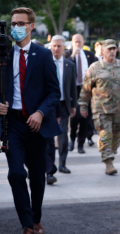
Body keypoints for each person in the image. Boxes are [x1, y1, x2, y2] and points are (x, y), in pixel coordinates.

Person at [0, 7, 61, 234]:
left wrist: (40, 112)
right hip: (12, 124)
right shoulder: (3, 54)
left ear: (31, 26)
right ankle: (27, 227)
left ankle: (36, 219)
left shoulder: (43, 55)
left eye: (21, 23)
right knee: (16, 174)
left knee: (37, 176)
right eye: (13, 22)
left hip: (36, 125)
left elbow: (54, 92)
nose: (16, 26)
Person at [78, 39, 120, 175]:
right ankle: (108, 162)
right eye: (109, 49)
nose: (112, 52)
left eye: (114, 49)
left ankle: (110, 152)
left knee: (116, 136)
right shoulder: (95, 68)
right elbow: (86, 89)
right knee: (106, 134)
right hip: (101, 109)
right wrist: (83, 105)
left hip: (119, 108)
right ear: (103, 51)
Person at [45, 35, 77, 184]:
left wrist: (74, 105)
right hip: (48, 106)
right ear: (50, 47)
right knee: (49, 139)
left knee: (63, 136)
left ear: (64, 48)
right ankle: (49, 170)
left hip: (64, 105)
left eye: (59, 46)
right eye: (54, 46)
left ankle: (62, 163)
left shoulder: (69, 65)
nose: (56, 49)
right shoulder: (44, 63)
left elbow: (72, 88)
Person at [65, 34, 97, 153]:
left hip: (86, 89)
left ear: (83, 43)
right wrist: (73, 55)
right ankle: (72, 139)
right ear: (72, 43)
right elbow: (66, 66)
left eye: (79, 42)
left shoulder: (90, 55)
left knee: (85, 117)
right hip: (74, 89)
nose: (78, 44)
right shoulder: (68, 54)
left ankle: (81, 144)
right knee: (75, 116)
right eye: (75, 42)